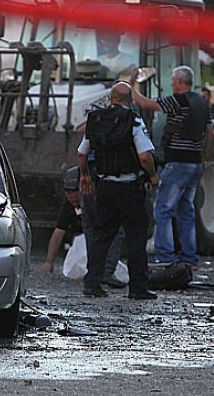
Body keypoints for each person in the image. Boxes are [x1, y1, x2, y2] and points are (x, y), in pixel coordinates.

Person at [77, 81, 159, 299]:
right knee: (135, 238)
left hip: (104, 186)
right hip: (129, 187)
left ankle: (92, 284)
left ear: (111, 99)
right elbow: (144, 156)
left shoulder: (96, 120)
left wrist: (85, 175)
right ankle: (138, 288)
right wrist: (152, 175)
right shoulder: (134, 121)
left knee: (101, 236)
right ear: (129, 101)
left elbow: (82, 153)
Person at [130, 66, 214, 268]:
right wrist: (203, 159)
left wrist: (130, 84)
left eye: (173, 80)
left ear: (179, 82)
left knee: (163, 209)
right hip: (194, 163)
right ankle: (189, 259)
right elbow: (210, 133)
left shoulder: (177, 100)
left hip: (177, 163)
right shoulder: (202, 102)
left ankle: (165, 257)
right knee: (186, 210)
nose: (171, 83)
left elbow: (143, 103)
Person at [41, 168, 127, 288]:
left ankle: (103, 273)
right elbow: (59, 232)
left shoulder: (96, 198)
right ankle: (98, 275)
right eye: (68, 192)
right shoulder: (69, 205)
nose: (71, 196)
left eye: (74, 192)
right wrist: (49, 261)